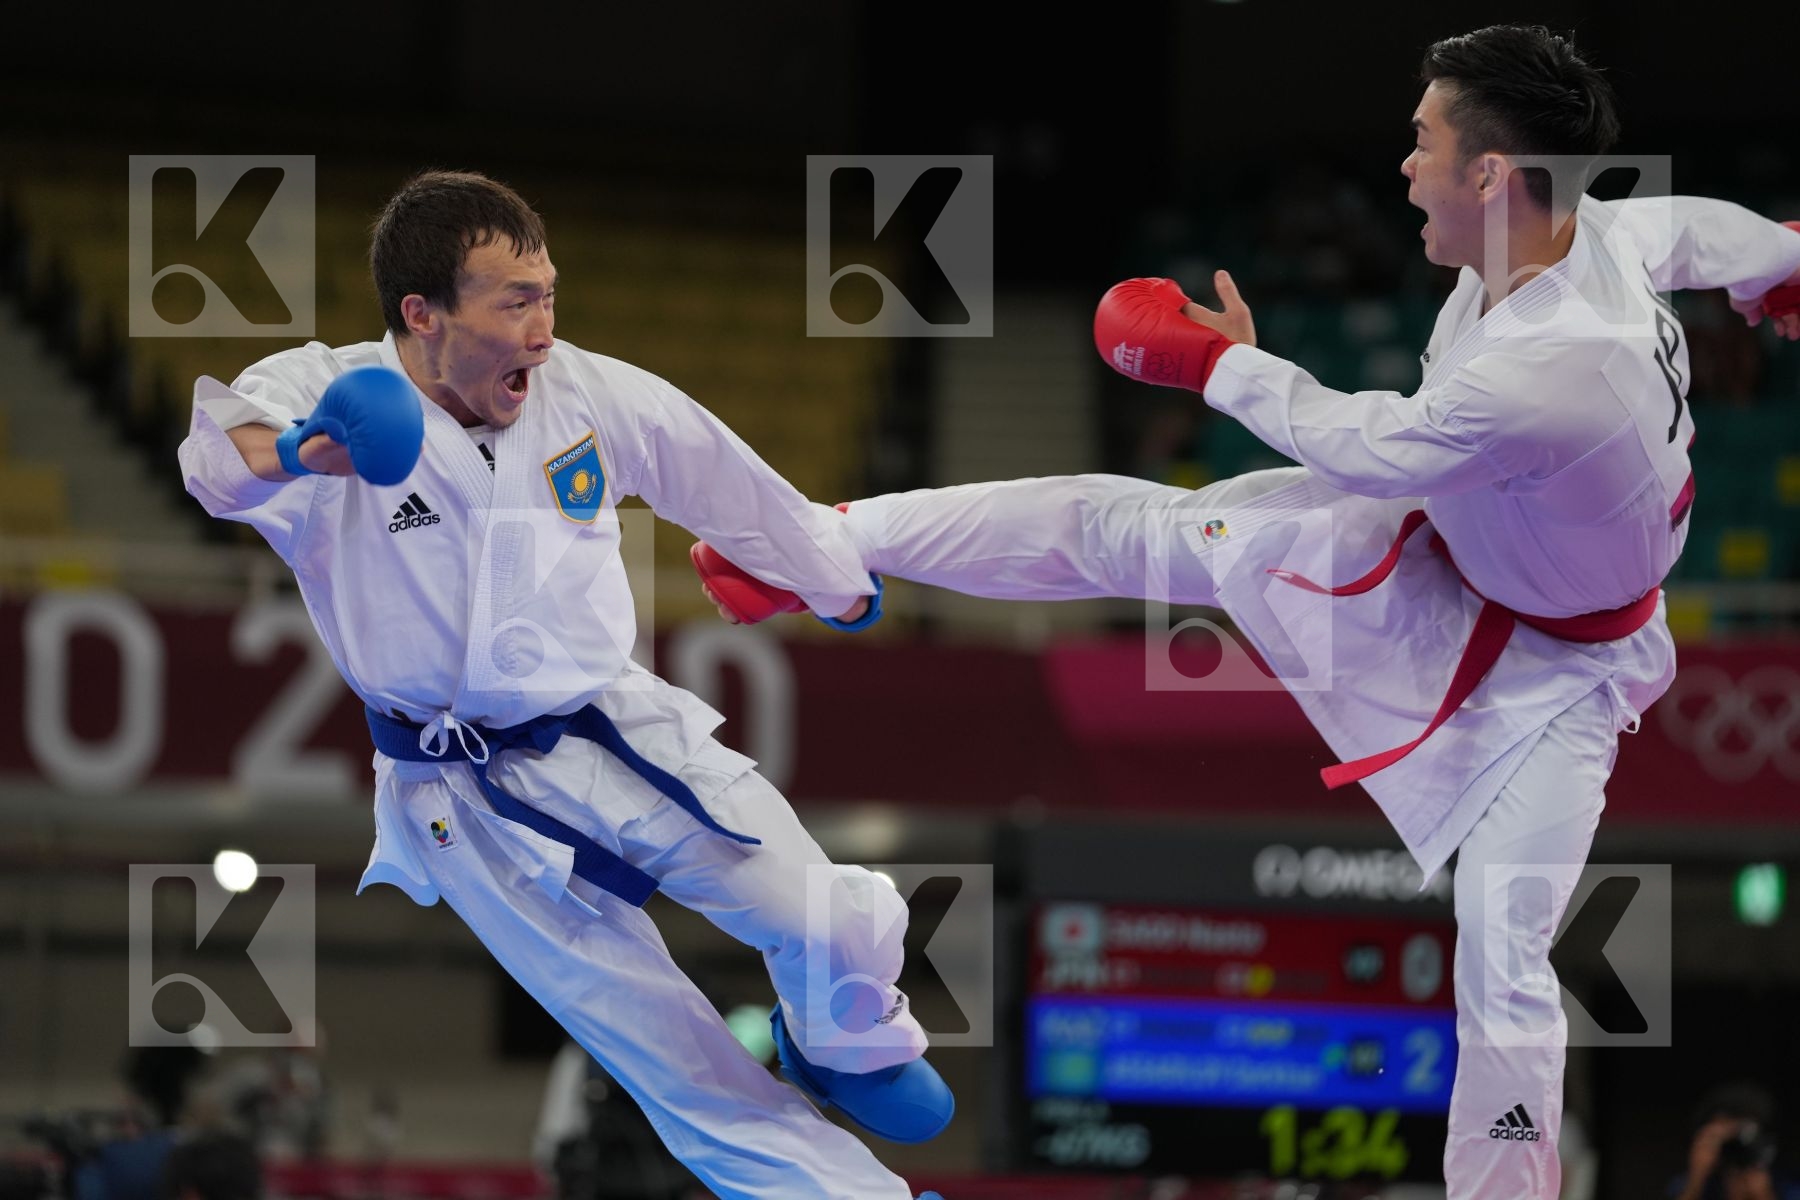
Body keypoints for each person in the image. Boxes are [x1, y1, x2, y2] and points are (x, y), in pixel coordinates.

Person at [691, 24, 1800, 1200]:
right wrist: (1776, 257)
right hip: (1449, 554)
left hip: (1566, 673)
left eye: (1423, 144)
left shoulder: (1561, 360)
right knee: (1139, 528)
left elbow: (1374, 446)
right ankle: (823, 541)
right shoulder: (1595, 230)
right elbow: (1693, 228)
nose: (1406, 168)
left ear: (1490, 174)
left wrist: (1206, 366)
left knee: (1506, 950)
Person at [177, 169, 950, 1200]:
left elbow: (727, 483)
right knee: (668, 1050)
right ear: (424, 314)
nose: (542, 329)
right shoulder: (332, 391)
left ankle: (848, 1042)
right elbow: (214, 466)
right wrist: (312, 451)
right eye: (514, 302)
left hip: (614, 722)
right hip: (461, 793)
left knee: (824, 916)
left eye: (549, 295)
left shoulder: (586, 393)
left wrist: (833, 582)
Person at [1670, 1084, 1800, 1200]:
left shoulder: (1786, 1185)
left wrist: (1764, 1195)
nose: (1735, 1147)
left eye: (1741, 1138)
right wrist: (1696, 1180)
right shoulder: (1699, 1184)